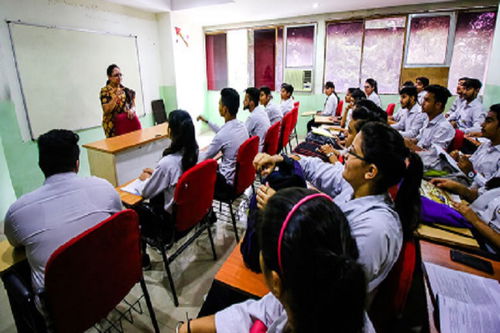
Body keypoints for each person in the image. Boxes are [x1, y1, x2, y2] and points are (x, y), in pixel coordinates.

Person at [255, 122, 423, 293]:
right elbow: (317, 169)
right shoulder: (358, 187)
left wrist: (281, 210)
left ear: (371, 171)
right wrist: (280, 159)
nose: (345, 155)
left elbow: (331, 284)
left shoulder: (374, 231)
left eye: (352, 152)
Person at [177, 188, 373, 333]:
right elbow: (261, 311)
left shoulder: (298, 297)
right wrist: (187, 328)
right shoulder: (320, 292)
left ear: (276, 282)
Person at [4, 129, 122, 313]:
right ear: (77, 163)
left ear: (41, 165)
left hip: (63, 311)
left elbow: (14, 242)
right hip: (113, 286)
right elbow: (118, 219)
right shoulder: (104, 188)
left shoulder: (18, 212)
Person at [198, 88, 249, 200]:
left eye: (219, 104)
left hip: (227, 186)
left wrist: (190, 154)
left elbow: (204, 157)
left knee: (197, 176)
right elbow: (223, 132)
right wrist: (207, 121)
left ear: (225, 109)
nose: (218, 106)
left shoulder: (223, 135)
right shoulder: (242, 126)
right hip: (241, 181)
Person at [449, 104, 500, 187]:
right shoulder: (486, 145)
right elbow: (471, 163)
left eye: (488, 121)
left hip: (476, 196)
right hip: (465, 185)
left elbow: (492, 190)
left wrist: (471, 173)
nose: (482, 125)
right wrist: (460, 158)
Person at [452, 177, 500, 252]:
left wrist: (476, 221)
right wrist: (461, 189)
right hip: (470, 223)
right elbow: (480, 195)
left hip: (487, 247)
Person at [405, 84, 454, 152]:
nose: (422, 103)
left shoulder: (444, 128)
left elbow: (432, 156)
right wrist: (408, 141)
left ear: (438, 105)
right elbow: (419, 139)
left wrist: (411, 146)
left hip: (426, 161)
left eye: (426, 100)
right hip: (416, 156)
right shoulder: (428, 120)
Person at [100, 64, 141, 137]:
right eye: (116, 75)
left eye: (120, 75)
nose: (119, 77)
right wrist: (115, 97)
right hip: (112, 126)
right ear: (109, 77)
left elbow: (133, 104)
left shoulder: (125, 90)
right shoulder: (105, 91)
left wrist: (132, 109)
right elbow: (106, 110)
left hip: (125, 123)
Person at [244, 87, 271, 152]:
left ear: (252, 103)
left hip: (257, 151)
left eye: (245, 100)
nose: (243, 102)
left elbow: (242, 136)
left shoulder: (252, 117)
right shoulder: (261, 111)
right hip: (264, 147)